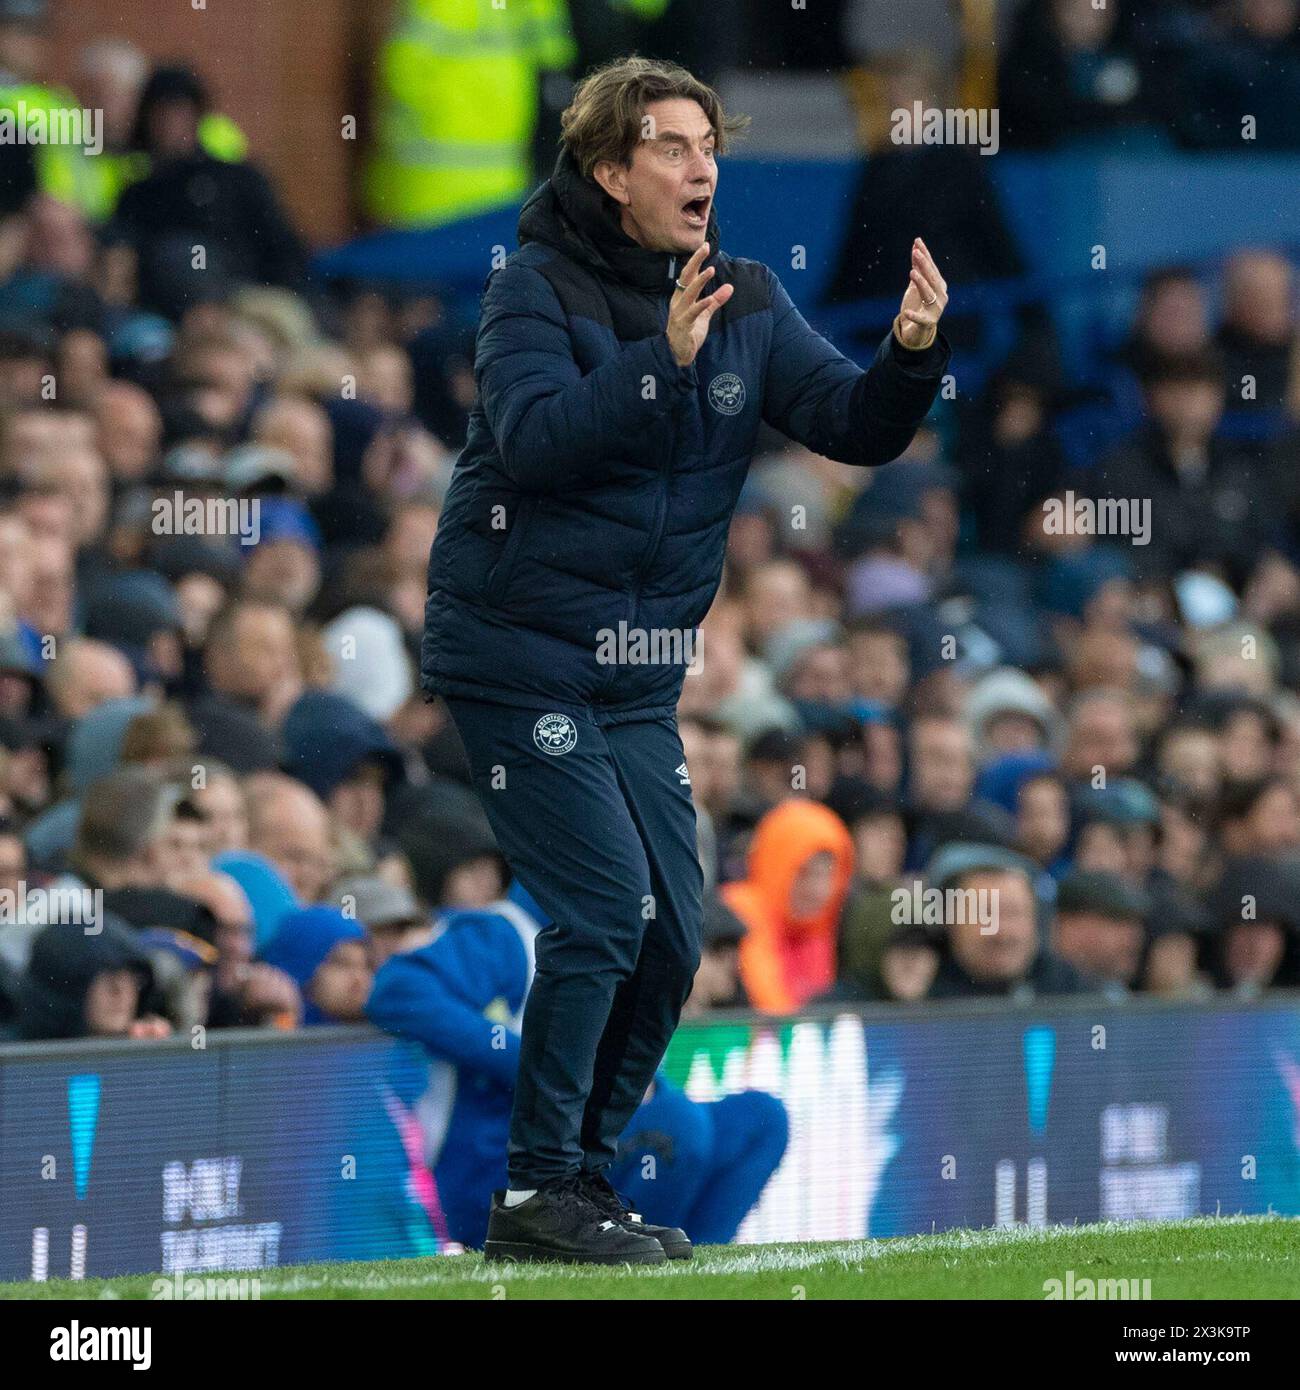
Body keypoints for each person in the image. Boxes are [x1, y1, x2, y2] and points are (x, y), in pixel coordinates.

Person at [419, 55, 949, 1263]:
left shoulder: (747, 300)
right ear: (609, 171)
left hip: (635, 672)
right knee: (605, 908)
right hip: (513, 650)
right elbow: (539, 442)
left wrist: (911, 355)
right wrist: (657, 359)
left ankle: (580, 1183)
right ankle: (535, 1189)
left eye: (706, 143)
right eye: (668, 144)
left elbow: (855, 424)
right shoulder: (530, 291)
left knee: (670, 926)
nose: (700, 164)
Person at [365, 881, 788, 1253]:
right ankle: (635, 1276)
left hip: (583, 1154)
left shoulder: (617, 938)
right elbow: (396, 991)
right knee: (679, 1125)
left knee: (760, 1118)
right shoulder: (503, 932)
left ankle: (691, 1272)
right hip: (502, 1172)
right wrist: (542, 1066)